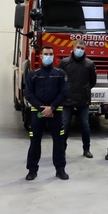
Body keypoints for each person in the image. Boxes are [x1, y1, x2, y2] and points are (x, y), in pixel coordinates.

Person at [25, 45, 70, 181]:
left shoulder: (60, 73)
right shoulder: (33, 74)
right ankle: (32, 170)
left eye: (51, 54)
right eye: (46, 54)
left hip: (55, 113)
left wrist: (52, 107)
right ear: (41, 56)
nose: (48, 56)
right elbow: (28, 94)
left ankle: (60, 169)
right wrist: (42, 108)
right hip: (37, 114)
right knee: (35, 142)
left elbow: (64, 92)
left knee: (59, 142)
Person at [60, 39, 97, 159]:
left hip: (83, 100)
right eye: (78, 47)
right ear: (73, 48)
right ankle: (62, 149)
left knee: (85, 126)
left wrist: (84, 90)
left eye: (82, 48)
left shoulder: (89, 64)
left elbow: (92, 81)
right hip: (67, 99)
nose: (80, 50)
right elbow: (59, 79)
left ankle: (86, 150)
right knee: (65, 125)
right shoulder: (64, 62)